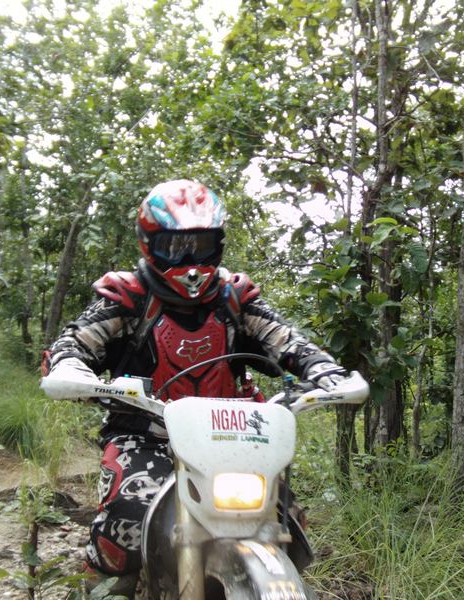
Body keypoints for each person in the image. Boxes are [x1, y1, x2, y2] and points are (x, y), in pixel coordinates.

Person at [41, 179, 349, 594]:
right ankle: (99, 587)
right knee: (124, 527)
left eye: (201, 246)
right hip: (146, 435)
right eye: (175, 247)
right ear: (150, 244)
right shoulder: (128, 298)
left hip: (232, 436)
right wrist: (70, 367)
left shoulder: (235, 298)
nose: (189, 262)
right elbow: (74, 342)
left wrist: (325, 370)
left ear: (218, 244)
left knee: (285, 520)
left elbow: (285, 339)